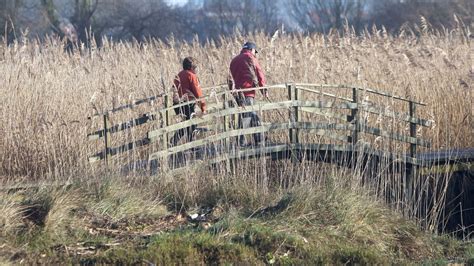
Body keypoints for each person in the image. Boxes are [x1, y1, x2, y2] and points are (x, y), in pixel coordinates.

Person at [229, 41, 268, 146]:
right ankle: (241, 142)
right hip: (247, 92)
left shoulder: (234, 60)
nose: (255, 54)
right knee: (247, 117)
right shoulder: (250, 58)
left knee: (251, 115)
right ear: (251, 50)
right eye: (255, 51)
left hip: (237, 93)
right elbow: (259, 74)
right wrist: (264, 90)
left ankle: (259, 139)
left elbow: (231, 78)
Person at [170, 57, 206, 146]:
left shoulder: (178, 75)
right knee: (191, 125)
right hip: (187, 104)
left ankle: (174, 141)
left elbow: (174, 90)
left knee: (186, 124)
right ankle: (192, 146)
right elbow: (198, 93)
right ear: (192, 67)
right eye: (195, 67)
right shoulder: (191, 75)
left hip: (178, 104)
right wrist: (203, 107)